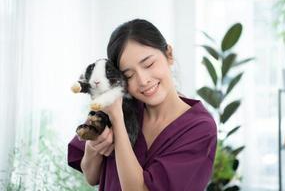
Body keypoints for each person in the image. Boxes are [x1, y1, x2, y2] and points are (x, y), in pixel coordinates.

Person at [67, 19, 217, 191]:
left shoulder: (199, 128)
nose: (143, 81)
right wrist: (93, 146)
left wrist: (117, 119)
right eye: (129, 75)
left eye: (149, 64)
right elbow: (91, 176)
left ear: (169, 54)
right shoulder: (122, 103)